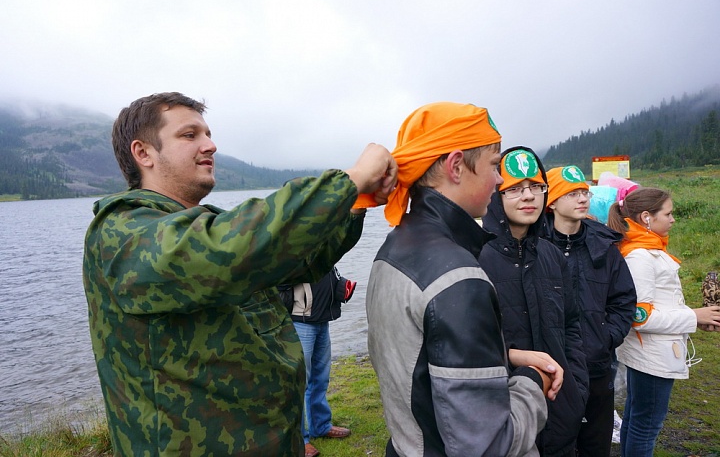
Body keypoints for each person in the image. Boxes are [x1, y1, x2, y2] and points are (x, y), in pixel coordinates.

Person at [82, 92, 397, 456]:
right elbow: (223, 251)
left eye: (208, 134)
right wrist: (349, 180)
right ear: (143, 153)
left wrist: (354, 205)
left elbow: (302, 261)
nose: (210, 145)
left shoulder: (205, 225)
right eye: (190, 135)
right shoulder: (122, 232)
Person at [365, 102, 565, 457]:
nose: (500, 180)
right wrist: (535, 381)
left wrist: (504, 357)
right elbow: (488, 445)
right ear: (456, 166)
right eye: (494, 165)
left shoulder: (394, 247)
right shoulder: (458, 277)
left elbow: (421, 361)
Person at [478, 147, 589, 457]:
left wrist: (576, 389)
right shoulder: (474, 258)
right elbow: (465, 344)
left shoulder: (552, 255)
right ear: (496, 195)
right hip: (503, 411)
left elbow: (571, 325)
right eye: (514, 188)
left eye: (535, 186)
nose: (528, 196)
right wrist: (511, 357)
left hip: (560, 409)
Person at [606, 187, 720, 457]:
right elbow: (640, 317)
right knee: (646, 426)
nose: (673, 219)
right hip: (653, 356)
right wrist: (694, 316)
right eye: (668, 214)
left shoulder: (647, 249)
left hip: (650, 352)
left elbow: (657, 304)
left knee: (637, 419)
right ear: (646, 217)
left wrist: (695, 319)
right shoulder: (641, 256)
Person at [544, 165, 636, 457]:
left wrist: (605, 338)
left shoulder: (604, 247)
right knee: (552, 444)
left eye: (584, 191)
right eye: (572, 193)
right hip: (549, 369)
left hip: (596, 366)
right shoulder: (535, 247)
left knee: (595, 445)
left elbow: (623, 300)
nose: (583, 198)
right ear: (552, 202)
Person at [280, 267, 357, 457]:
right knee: (300, 383)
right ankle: (299, 440)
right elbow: (279, 279)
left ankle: (321, 426)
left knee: (320, 379)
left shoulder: (320, 253)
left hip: (322, 321)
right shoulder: (296, 254)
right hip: (300, 323)